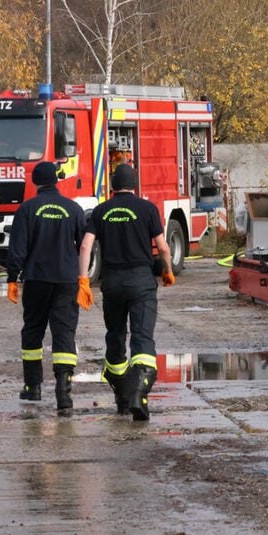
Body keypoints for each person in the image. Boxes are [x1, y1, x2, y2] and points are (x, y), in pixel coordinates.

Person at [78, 164, 174, 421]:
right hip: (141, 281)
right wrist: (167, 270)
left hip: (112, 282)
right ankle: (137, 395)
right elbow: (163, 247)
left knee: (116, 336)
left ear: (112, 186)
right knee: (142, 338)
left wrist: (84, 280)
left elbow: (86, 245)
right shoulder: (147, 208)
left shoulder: (101, 211)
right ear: (134, 185)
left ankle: (122, 396)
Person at [6, 162, 90, 411]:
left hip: (37, 279)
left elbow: (18, 248)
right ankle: (63, 393)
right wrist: (82, 277)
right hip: (67, 280)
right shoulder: (73, 209)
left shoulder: (27, 209)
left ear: (35, 182)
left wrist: (12, 277)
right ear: (56, 180)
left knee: (33, 331)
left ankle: (33, 388)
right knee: (64, 333)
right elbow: (84, 244)